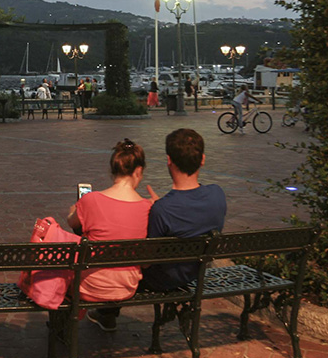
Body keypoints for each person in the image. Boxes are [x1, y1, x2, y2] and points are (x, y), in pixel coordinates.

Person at [67, 139, 152, 332]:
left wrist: (76, 208)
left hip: (89, 286)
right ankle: (108, 315)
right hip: (127, 286)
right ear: (138, 171)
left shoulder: (91, 200)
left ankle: (63, 327)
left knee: (82, 233)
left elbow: (71, 223)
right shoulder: (147, 207)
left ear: (112, 171)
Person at [142, 128, 227, 292]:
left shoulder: (162, 210)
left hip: (165, 279)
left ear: (169, 160)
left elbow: (147, 262)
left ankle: (107, 312)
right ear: (202, 159)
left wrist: (159, 207)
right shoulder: (217, 194)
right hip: (197, 272)